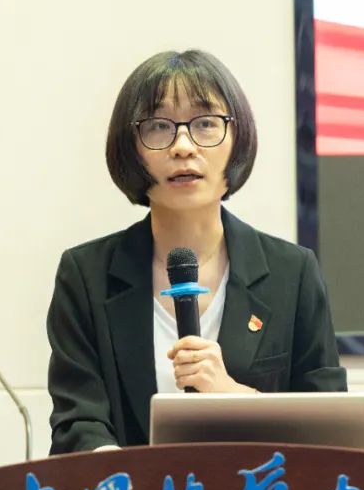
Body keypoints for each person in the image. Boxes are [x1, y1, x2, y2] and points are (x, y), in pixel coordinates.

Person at [46, 49, 347, 462]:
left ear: (237, 138)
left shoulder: (292, 273)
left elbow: (330, 429)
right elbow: (77, 421)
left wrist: (235, 396)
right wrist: (121, 476)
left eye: (205, 123)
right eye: (158, 126)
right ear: (130, 148)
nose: (183, 146)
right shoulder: (86, 275)